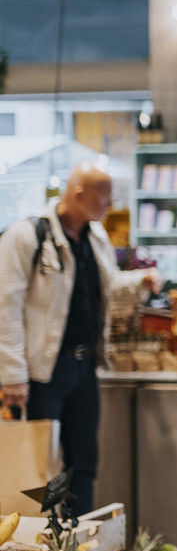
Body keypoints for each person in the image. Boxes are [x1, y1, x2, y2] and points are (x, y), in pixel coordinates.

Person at [0, 164, 161, 516]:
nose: (110, 204)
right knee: (40, 466)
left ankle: (79, 538)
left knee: (83, 461)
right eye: (104, 196)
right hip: (43, 372)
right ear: (78, 195)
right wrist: (12, 374)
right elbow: (5, 306)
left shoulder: (95, 235)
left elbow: (108, 285)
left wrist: (141, 281)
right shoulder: (26, 236)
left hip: (84, 365)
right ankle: (40, 544)